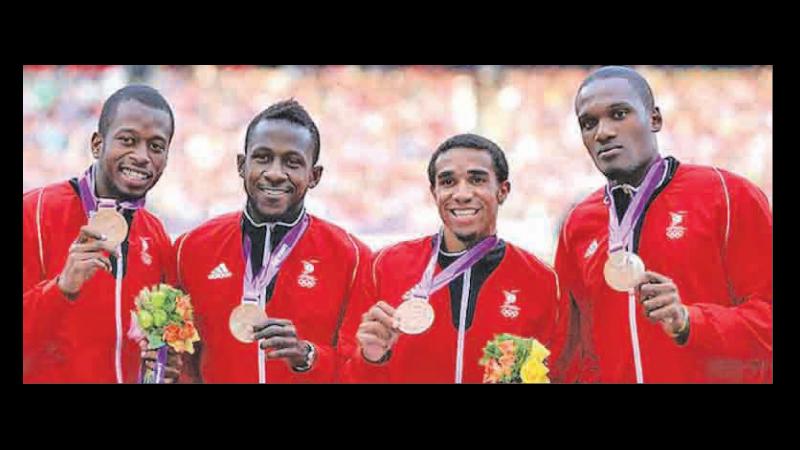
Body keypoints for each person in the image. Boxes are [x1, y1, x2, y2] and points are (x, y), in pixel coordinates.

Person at [555, 66, 772, 383]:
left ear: (654, 119)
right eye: (589, 123)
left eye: (619, 114)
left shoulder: (727, 195)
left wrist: (690, 321)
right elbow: (576, 349)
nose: (602, 132)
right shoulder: (578, 224)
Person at [173, 99, 372, 383]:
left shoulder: (352, 257)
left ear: (314, 176)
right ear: (242, 165)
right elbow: (182, 362)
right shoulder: (190, 248)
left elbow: (363, 365)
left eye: (292, 162)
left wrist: (308, 355)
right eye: (263, 157)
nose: (275, 173)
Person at [339, 134, 564, 383]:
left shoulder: (541, 280)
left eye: (477, 180)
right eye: (448, 182)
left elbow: (556, 372)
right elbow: (347, 374)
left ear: (502, 190)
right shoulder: (384, 265)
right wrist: (371, 359)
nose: (462, 194)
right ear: (434, 192)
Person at [23, 85, 180, 383]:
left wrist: (165, 368)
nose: (142, 156)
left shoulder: (156, 234)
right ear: (97, 144)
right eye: (128, 140)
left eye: (156, 147)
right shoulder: (34, 211)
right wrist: (61, 289)